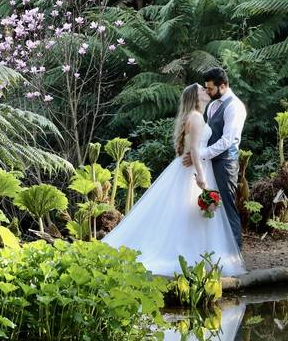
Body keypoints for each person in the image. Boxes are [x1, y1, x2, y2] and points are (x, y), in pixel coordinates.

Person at [101, 83, 245, 276]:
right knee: (189, 215)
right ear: (195, 97)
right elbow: (194, 150)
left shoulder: (199, 116)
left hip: (197, 166)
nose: (206, 91)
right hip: (195, 170)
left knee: (193, 215)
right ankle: (189, 256)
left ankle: (200, 254)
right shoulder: (195, 118)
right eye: (202, 90)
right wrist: (201, 178)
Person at [182, 67, 247, 251]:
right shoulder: (213, 105)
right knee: (213, 209)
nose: (208, 92)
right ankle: (219, 251)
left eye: (210, 89)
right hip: (209, 163)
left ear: (223, 86)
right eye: (206, 88)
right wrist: (196, 155)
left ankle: (235, 253)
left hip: (226, 163)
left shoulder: (234, 106)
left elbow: (227, 141)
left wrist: (199, 155)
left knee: (227, 207)